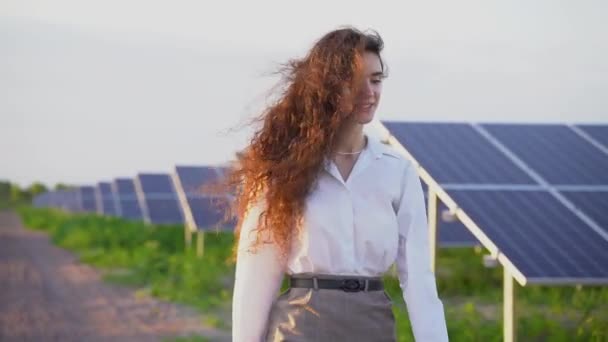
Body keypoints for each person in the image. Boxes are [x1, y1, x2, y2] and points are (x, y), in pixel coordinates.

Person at [226, 27, 449, 341]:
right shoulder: (281, 171)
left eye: (376, 80)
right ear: (327, 87)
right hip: (300, 324)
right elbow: (256, 276)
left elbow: (418, 278)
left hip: (374, 324)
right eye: (355, 82)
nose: (369, 93)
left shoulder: (398, 171)